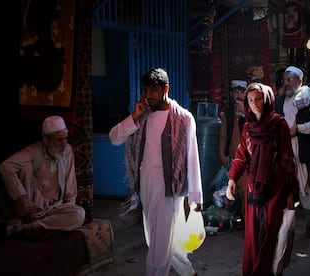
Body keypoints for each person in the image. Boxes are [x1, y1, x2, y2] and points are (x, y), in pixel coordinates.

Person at [109, 68, 203, 276]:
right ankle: (188, 273)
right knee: (156, 239)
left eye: (153, 90)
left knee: (159, 245)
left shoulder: (184, 118)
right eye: (146, 90)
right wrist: (134, 115)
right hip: (147, 182)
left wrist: (195, 198)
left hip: (170, 186)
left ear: (165, 89)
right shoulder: (142, 116)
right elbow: (114, 138)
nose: (148, 95)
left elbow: (192, 157)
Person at [225, 82, 298, 276]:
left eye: (258, 98)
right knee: (255, 237)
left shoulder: (278, 124)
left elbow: (287, 158)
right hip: (253, 188)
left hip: (275, 188)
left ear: (267, 100)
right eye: (250, 99)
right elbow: (241, 155)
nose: (254, 103)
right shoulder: (248, 127)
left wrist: (291, 192)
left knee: (270, 235)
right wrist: (232, 179)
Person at [0, 116, 85, 236]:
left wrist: (68, 208)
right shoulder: (33, 151)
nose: (64, 145)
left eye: (66, 139)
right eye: (59, 140)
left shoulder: (67, 151)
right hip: (31, 207)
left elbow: (70, 188)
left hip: (52, 209)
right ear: (46, 141)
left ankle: (29, 226)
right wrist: (23, 197)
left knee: (79, 214)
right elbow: (5, 166)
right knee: (24, 166)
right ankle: (26, 220)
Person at [275, 66, 310, 239]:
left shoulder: (308, 98)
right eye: (285, 80)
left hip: (303, 148)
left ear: (300, 81)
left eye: (291, 80)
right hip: (284, 150)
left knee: (307, 188)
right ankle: (284, 226)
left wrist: (299, 129)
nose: (287, 84)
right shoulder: (280, 101)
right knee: (284, 186)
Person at [219, 79, 247, 218]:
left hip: (247, 160)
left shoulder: (250, 113)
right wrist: (222, 154)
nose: (238, 96)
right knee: (237, 192)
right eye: (236, 92)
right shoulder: (227, 114)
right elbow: (223, 136)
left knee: (245, 191)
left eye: (241, 92)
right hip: (233, 159)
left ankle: (247, 223)